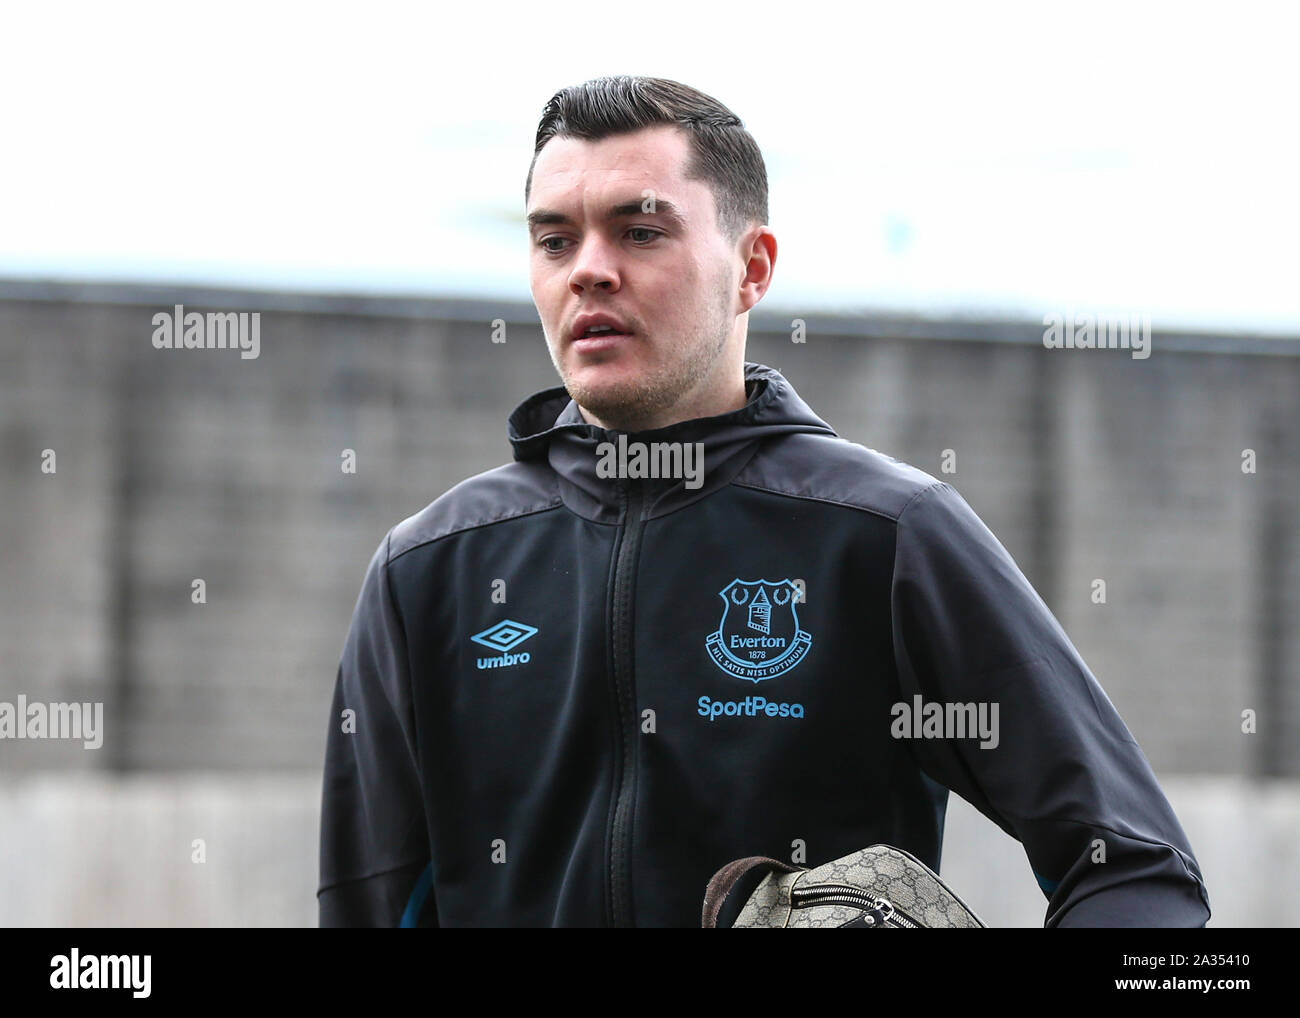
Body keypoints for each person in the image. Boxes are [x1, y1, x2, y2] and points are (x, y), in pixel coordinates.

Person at [317, 75, 1210, 927]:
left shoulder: (885, 534)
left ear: (752, 268)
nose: (588, 270)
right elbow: (367, 906)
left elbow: (1134, 866)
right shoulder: (429, 568)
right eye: (555, 240)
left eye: (640, 231)